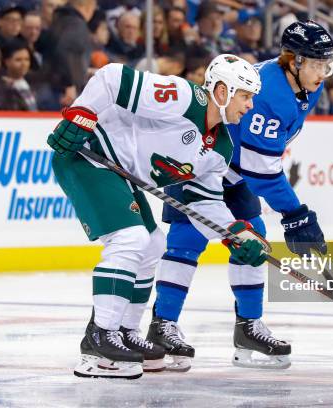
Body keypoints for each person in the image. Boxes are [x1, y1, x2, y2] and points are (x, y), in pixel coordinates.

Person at [46, 53, 267, 379]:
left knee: (151, 243)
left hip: (117, 172)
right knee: (130, 238)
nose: (249, 105)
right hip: (87, 153)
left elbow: (204, 202)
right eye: (245, 96)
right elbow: (111, 78)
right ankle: (99, 337)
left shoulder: (221, 148)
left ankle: (125, 330)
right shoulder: (184, 97)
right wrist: (81, 114)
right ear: (222, 91)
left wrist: (236, 233)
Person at [151, 20, 333, 371]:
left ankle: (248, 327)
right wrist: (294, 213)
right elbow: (262, 172)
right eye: (315, 64)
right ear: (293, 61)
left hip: (234, 175)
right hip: (199, 163)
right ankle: (162, 325)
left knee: (254, 239)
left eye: (328, 64)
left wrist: (294, 214)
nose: (323, 73)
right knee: (185, 240)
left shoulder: (309, 87)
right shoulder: (269, 93)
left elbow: (260, 163)